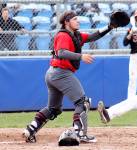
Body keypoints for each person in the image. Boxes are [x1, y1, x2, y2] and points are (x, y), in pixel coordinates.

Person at [22, 10, 116, 143]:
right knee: (82, 102)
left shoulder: (75, 35)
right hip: (61, 73)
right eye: (74, 19)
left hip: (53, 73)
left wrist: (109, 27)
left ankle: (31, 129)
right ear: (66, 22)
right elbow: (61, 52)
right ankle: (79, 133)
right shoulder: (63, 35)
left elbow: (92, 37)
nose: (78, 21)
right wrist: (81, 56)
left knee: (53, 109)